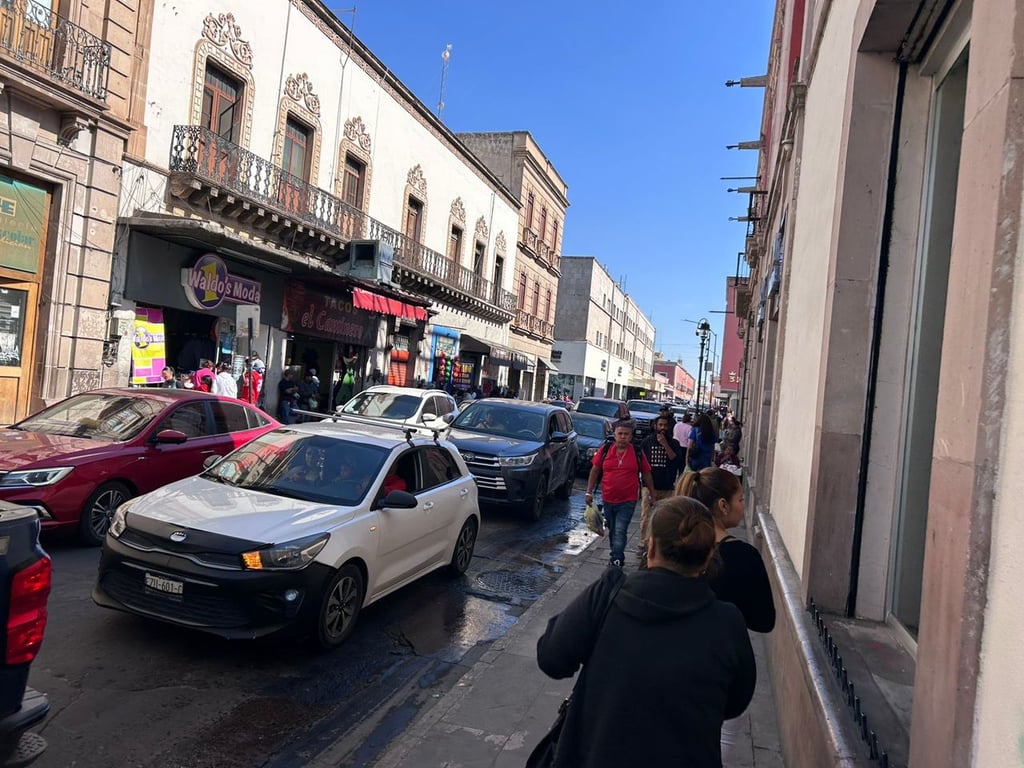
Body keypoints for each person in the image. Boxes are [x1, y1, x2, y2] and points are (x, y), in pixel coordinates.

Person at [536, 495, 756, 767]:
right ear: (708, 557)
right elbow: (735, 703)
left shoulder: (609, 594)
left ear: (650, 549)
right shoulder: (727, 622)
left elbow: (551, 657)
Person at [676, 467, 775, 762]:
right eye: (741, 499)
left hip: (672, 665)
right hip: (720, 677)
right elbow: (764, 620)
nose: (744, 506)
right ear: (722, 505)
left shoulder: (675, 549)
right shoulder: (744, 557)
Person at [584, 420, 656, 568]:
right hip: (608, 498)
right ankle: (614, 552)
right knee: (612, 527)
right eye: (620, 434)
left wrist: (652, 494)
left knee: (620, 529)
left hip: (628, 499)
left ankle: (617, 559)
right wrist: (588, 491)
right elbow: (595, 470)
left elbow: (646, 473)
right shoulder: (606, 449)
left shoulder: (636, 452)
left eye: (626, 434)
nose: (623, 437)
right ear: (615, 435)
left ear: (631, 436)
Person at [639, 414, 683, 559]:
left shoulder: (674, 444)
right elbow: (642, 465)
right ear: (655, 426)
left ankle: (659, 543)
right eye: (660, 425)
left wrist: (665, 444)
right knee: (646, 515)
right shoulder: (647, 442)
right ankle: (644, 543)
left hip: (667, 486)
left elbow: (676, 461)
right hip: (649, 485)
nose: (663, 428)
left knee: (665, 517)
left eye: (665, 425)